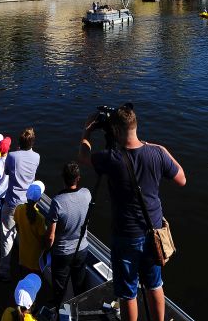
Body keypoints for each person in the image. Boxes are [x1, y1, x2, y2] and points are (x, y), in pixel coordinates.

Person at [79, 105, 186, 321]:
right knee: (155, 284)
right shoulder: (157, 153)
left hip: (126, 235)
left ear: (116, 131)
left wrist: (87, 131)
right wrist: (161, 148)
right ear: (135, 127)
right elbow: (182, 179)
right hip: (154, 232)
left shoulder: (111, 158)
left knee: (128, 292)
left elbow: (83, 157)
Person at [46, 161, 92, 309]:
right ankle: (78, 311)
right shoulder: (87, 194)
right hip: (82, 249)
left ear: (63, 178)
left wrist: (47, 249)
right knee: (79, 286)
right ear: (78, 178)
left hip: (62, 253)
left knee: (60, 289)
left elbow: (51, 236)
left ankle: (61, 312)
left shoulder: (57, 202)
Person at [0, 126, 40, 280]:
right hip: (28, 204)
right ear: (32, 143)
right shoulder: (37, 157)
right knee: (25, 236)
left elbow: (7, 173)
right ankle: (25, 269)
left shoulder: (12, 156)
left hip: (12, 203)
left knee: (7, 237)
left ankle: (4, 271)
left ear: (20, 142)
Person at [13, 182, 47, 276]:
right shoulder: (40, 218)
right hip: (35, 256)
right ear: (39, 199)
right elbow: (42, 239)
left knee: (23, 275)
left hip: (23, 252)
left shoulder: (19, 209)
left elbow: (18, 228)